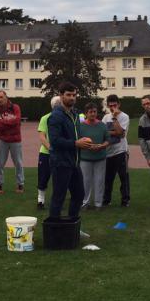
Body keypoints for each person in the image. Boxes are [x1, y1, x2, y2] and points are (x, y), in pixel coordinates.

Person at [47, 81, 91, 218]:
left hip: (74, 162)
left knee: (79, 195)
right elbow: (54, 141)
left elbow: (75, 136)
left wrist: (84, 142)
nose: (72, 97)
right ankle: (54, 229)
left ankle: (72, 225)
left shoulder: (75, 114)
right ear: (61, 96)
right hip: (61, 163)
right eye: (68, 95)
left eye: (74, 95)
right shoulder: (56, 116)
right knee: (59, 197)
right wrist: (76, 143)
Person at [0, 90, 24, 193]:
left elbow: (17, 120)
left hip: (15, 140)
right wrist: (10, 122)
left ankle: (20, 185)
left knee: (18, 163)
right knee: (0, 164)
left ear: (6, 97)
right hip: (3, 140)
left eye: (1, 97)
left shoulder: (15, 107)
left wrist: (3, 122)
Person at [79, 102, 110, 209]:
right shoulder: (80, 126)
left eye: (95, 112)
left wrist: (101, 146)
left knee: (99, 181)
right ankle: (85, 202)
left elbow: (107, 140)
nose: (93, 114)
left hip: (100, 157)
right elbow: (77, 141)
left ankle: (98, 203)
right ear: (86, 113)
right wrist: (85, 145)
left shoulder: (102, 125)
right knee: (85, 181)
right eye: (90, 112)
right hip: (85, 158)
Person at [102, 94, 130, 207]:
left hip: (121, 151)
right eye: (110, 106)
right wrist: (111, 132)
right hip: (109, 152)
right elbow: (103, 133)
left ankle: (125, 200)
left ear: (119, 104)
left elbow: (120, 133)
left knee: (123, 177)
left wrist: (114, 118)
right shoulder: (105, 118)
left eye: (114, 105)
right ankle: (106, 200)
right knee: (108, 178)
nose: (113, 108)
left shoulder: (124, 117)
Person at [36, 96, 62, 209]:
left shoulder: (65, 118)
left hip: (61, 154)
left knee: (60, 179)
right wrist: (51, 149)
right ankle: (40, 200)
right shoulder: (45, 118)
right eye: (58, 104)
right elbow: (42, 136)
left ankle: (57, 201)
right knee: (43, 178)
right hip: (46, 154)